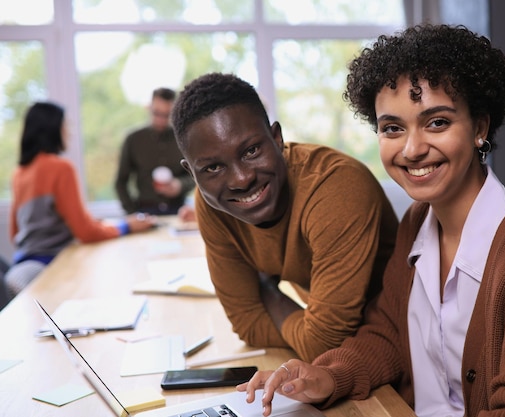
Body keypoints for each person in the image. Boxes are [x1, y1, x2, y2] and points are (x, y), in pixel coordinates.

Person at [238, 24, 505, 417]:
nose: (412, 149)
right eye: (393, 128)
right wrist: (322, 377)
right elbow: (388, 336)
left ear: (480, 127)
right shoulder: (418, 221)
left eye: (437, 122)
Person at [170, 72, 399, 362]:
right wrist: (307, 331)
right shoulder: (213, 204)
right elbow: (247, 325)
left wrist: (268, 292)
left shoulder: (336, 186)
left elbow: (324, 344)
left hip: (402, 347)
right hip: (338, 364)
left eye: (251, 150)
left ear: (277, 139)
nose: (241, 179)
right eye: (213, 168)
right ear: (192, 174)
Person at [5, 101, 156, 301]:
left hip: (23, 263)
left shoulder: (19, 174)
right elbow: (84, 232)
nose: (69, 133)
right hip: (52, 264)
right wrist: (125, 227)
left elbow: (15, 232)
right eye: (65, 126)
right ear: (53, 129)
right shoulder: (60, 169)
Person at [115, 87, 195, 215]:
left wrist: (180, 185)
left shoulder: (183, 138)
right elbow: (121, 182)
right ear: (149, 107)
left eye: (166, 115)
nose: (161, 120)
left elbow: (196, 176)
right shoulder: (133, 139)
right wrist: (132, 212)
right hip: (144, 211)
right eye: (157, 113)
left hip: (178, 211)